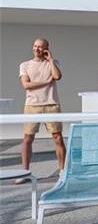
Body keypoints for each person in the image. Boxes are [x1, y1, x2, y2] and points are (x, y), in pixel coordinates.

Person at [19, 38, 65, 181]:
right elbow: (26, 85)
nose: (36, 49)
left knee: (58, 138)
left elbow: (57, 76)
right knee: (28, 138)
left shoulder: (53, 63)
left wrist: (50, 60)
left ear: (46, 48)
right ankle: (24, 173)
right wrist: (46, 82)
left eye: (40, 47)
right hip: (32, 105)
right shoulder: (25, 65)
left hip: (51, 104)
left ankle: (62, 171)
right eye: (35, 46)